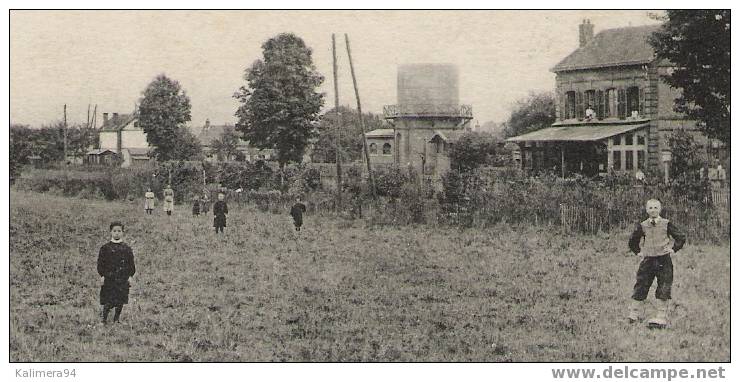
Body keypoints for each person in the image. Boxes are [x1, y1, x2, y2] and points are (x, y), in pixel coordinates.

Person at [627, 199, 686, 328]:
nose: (653, 210)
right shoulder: (643, 225)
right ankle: (634, 313)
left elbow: (681, 237)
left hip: (663, 260)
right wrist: (638, 252)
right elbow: (632, 241)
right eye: (650, 208)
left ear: (660, 209)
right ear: (647, 210)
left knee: (664, 286)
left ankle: (661, 317)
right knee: (641, 284)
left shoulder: (666, 223)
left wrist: (673, 248)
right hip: (648, 260)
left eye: (655, 207)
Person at [97, 222, 136, 324]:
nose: (117, 233)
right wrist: (102, 275)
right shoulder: (105, 248)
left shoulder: (126, 248)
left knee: (120, 300)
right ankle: (104, 320)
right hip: (109, 278)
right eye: (114, 231)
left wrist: (130, 276)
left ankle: (116, 319)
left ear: (123, 232)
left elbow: (131, 264)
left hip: (122, 278)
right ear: (110, 232)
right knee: (108, 300)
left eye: (119, 231)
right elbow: (101, 263)